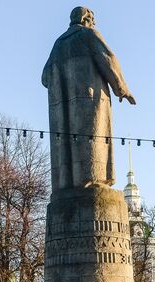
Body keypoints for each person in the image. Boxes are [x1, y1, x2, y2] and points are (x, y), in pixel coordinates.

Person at [42, 6, 136, 191]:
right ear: (86, 19)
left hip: (63, 109)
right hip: (90, 100)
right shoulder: (89, 35)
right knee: (92, 137)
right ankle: (94, 180)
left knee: (70, 141)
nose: (94, 23)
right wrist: (122, 89)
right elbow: (108, 60)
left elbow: (45, 77)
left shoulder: (58, 44)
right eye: (92, 19)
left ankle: (71, 182)